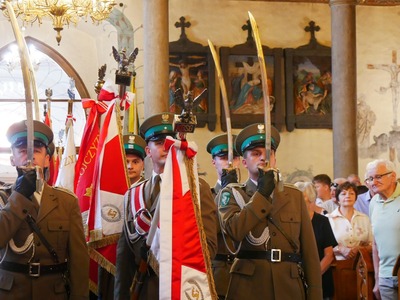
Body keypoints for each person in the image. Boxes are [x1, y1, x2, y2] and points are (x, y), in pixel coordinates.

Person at [114, 113, 217, 299]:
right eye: (160, 142)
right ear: (147, 150)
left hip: (181, 287)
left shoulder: (196, 188)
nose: (167, 147)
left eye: (172, 141)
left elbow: (209, 246)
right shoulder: (133, 194)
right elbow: (125, 258)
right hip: (144, 289)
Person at [217, 123, 322, 299]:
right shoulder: (233, 193)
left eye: (268, 153)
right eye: (256, 154)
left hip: (289, 287)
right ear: (244, 162)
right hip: (249, 287)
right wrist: (262, 194)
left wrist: (315, 292)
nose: (263, 158)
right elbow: (235, 230)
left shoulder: (294, 195)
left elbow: (310, 252)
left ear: (274, 159)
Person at [0, 120, 89, 299]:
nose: (30, 156)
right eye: (23, 150)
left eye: (37, 151)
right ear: (12, 159)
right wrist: (19, 196)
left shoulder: (67, 202)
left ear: (47, 160)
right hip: (11, 293)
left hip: (52, 292)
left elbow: (78, 262)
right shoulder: (3, 199)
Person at [97, 133, 146, 300]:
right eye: (126, 161)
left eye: (135, 162)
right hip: (109, 258)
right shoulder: (107, 193)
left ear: (143, 164)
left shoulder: (147, 192)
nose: (130, 166)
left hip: (137, 264)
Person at [206, 134, 240, 299]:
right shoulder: (207, 196)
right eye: (224, 157)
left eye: (234, 157)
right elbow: (212, 228)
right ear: (214, 162)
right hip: (219, 271)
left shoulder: (249, 196)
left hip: (246, 272)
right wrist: (226, 191)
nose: (230, 162)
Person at [295, 181, 337, 300]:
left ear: (309, 199)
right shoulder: (291, 223)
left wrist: (313, 277)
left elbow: (328, 255)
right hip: (296, 281)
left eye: (301, 197)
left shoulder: (322, 222)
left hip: (320, 279)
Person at [365, 159, 399, 300]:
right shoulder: (374, 202)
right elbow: (376, 244)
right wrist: (378, 280)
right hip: (385, 277)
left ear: (393, 176)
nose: (373, 182)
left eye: (378, 177)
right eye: (370, 178)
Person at [327, 182, 373, 261]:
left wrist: (360, 248)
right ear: (337, 199)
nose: (348, 196)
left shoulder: (364, 218)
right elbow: (323, 245)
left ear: (355, 198)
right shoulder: (328, 219)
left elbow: (372, 243)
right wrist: (340, 249)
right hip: (336, 263)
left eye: (351, 193)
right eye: (343, 194)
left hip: (361, 263)